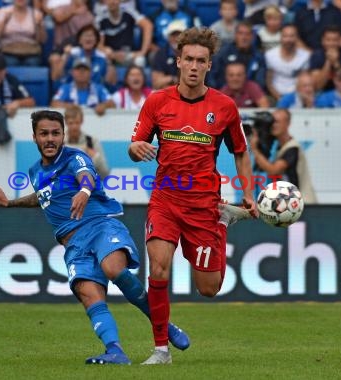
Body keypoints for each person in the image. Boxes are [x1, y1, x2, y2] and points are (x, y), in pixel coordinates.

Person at [0, 109, 190, 365]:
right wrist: (9, 203)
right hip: (72, 243)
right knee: (89, 293)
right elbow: (43, 197)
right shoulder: (35, 171)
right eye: (44, 133)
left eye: (56, 133)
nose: (50, 139)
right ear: (34, 137)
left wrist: (83, 191)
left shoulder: (75, 157)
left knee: (113, 269)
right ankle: (115, 351)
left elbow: (87, 176)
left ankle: (163, 325)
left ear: (63, 135)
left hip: (100, 226)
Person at [128, 27, 258, 365]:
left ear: (209, 65)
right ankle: (160, 351)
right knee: (158, 268)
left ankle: (224, 219)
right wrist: (136, 147)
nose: (194, 66)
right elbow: (134, 144)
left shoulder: (225, 106)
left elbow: (241, 153)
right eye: (189, 59)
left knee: (209, 288)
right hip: (165, 199)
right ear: (178, 61)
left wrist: (247, 194)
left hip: (203, 205)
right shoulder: (157, 101)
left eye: (201, 60)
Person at [250, 108, 317, 204]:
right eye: (271, 122)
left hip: (304, 203)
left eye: (277, 122)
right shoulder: (278, 147)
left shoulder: (293, 148)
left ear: (288, 124)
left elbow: (273, 170)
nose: (273, 125)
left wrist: (255, 149)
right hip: (292, 203)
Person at [95, 0, 153, 68]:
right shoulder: (100, 19)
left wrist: (143, 51)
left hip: (128, 54)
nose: (112, 2)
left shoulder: (129, 12)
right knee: (102, 57)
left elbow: (148, 25)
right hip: (111, 55)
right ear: (105, 2)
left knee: (140, 60)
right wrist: (113, 54)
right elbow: (99, 45)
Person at [0, 0, 46, 66]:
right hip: (7, 51)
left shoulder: (36, 14)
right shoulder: (2, 12)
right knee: (10, 62)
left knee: (32, 63)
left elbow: (42, 40)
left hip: (30, 52)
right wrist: (3, 22)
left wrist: (39, 26)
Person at [265, 24, 311, 103]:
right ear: (281, 37)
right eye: (285, 36)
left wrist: (294, 98)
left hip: (298, 96)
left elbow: (303, 80)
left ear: (297, 38)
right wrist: (279, 97)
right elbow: (269, 81)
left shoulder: (305, 56)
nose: (288, 39)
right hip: (275, 95)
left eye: (292, 36)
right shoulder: (270, 55)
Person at [64, 104, 110, 178]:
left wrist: (96, 157)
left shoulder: (92, 142)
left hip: (88, 187)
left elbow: (105, 173)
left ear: (82, 121)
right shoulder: (59, 143)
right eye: (71, 123)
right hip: (65, 188)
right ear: (65, 122)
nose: (74, 127)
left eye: (77, 122)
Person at [309, 25, 341, 92]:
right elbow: (318, 86)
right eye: (328, 40)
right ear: (323, 41)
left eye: (335, 40)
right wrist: (328, 61)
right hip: (323, 92)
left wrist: (336, 63)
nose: (331, 43)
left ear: (340, 41)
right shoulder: (316, 55)